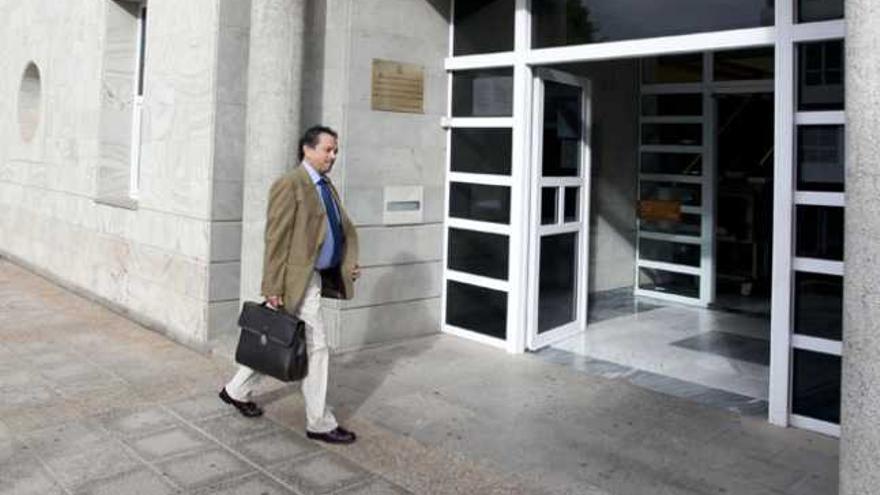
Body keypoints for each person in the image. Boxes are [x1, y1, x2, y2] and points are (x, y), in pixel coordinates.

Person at [219, 125, 360, 445]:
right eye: (328, 150)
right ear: (307, 150)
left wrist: (345, 263)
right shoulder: (290, 184)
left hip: (314, 276)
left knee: (281, 340)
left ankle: (235, 391)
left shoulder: (326, 186)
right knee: (317, 346)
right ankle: (320, 423)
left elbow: (334, 230)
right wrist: (272, 287)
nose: (333, 156)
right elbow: (276, 239)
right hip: (295, 280)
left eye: (336, 150)